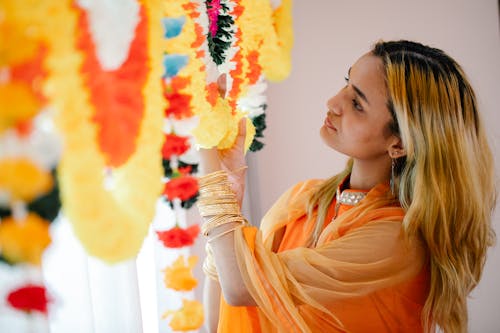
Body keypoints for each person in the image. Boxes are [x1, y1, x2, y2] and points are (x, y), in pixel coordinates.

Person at [196, 40, 496, 333]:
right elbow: (221, 315)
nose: (333, 103)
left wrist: (206, 142)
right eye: (346, 83)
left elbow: (240, 288)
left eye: (357, 103)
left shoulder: (398, 239)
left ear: (400, 143)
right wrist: (228, 191)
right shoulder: (303, 200)